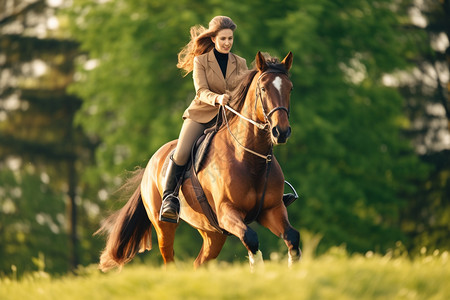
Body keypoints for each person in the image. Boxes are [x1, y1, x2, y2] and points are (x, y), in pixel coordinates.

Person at [159, 16, 248, 223]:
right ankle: (169, 199)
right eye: (223, 38)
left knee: (257, 142)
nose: (227, 43)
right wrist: (218, 98)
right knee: (181, 152)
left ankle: (273, 191)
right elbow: (201, 91)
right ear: (214, 39)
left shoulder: (241, 63)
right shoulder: (201, 61)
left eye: (230, 39)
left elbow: (244, 91)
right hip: (202, 113)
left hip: (230, 116)